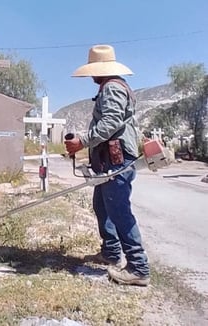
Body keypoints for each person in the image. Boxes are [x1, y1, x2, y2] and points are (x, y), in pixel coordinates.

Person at [64, 44, 150, 286]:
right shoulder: (111, 87)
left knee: (118, 209)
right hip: (110, 159)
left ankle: (138, 268)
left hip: (117, 159)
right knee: (103, 206)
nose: (91, 75)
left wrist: (83, 141)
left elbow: (110, 122)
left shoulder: (112, 88)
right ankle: (111, 252)